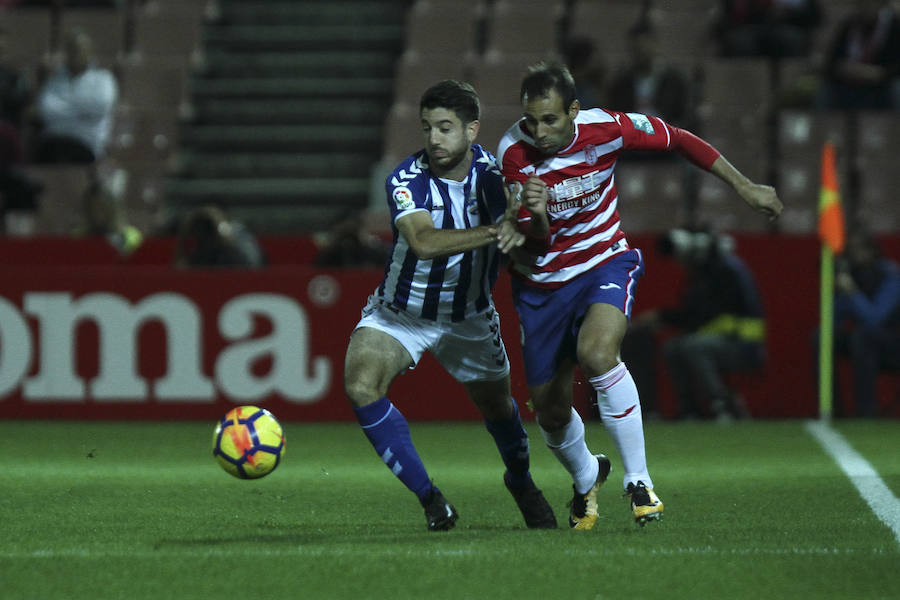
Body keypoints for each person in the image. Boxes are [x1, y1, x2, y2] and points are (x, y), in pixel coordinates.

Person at [496, 61, 782, 528]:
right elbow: (537, 240)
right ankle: (588, 474)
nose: (539, 131)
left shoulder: (606, 127)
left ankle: (640, 481)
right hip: (542, 285)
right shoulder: (514, 153)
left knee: (597, 352)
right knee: (549, 411)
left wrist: (744, 186)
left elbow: (680, 139)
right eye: (531, 120)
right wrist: (537, 214)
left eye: (550, 119)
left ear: (574, 110)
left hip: (604, 261)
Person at [343, 80, 557, 532]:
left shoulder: (495, 177)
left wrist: (532, 217)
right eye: (427, 128)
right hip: (400, 313)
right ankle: (431, 500)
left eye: (445, 127)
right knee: (361, 384)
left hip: (470, 319)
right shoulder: (405, 180)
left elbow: (528, 247)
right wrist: (496, 230)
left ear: (472, 130)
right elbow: (422, 242)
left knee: (499, 409)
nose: (434, 138)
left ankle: (521, 482)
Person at [628, 228, 766, 421]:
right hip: (722, 338)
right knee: (672, 348)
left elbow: (704, 314)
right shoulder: (704, 273)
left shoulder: (725, 272)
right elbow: (696, 314)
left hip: (742, 343)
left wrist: (661, 318)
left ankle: (722, 404)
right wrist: (662, 318)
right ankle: (689, 410)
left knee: (694, 346)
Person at [831, 229, 900, 417]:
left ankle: (866, 411)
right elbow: (833, 319)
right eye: (850, 251)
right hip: (865, 340)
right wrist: (839, 293)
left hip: (893, 344)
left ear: (871, 251)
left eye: (858, 250)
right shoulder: (853, 273)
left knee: (862, 337)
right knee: (822, 337)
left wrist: (852, 292)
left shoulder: (890, 275)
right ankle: (832, 409)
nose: (854, 255)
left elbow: (875, 319)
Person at [33, 27, 118, 163]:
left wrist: (63, 105)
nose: (76, 53)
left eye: (81, 49)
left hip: (87, 143)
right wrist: (82, 111)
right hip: (53, 141)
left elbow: (101, 106)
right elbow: (45, 110)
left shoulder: (103, 79)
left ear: (90, 52)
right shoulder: (54, 79)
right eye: (72, 49)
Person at [817, 0, 900, 111]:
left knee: (896, 89)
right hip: (849, 82)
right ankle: (823, 126)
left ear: (881, 4)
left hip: (881, 84)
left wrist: (879, 73)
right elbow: (831, 62)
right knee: (825, 90)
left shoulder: (894, 27)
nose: (866, 6)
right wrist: (846, 69)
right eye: (862, 3)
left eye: (871, 3)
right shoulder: (848, 26)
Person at [174, 205, 265, 268]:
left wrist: (220, 226)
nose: (202, 231)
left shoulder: (237, 231)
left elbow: (251, 264)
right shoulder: (198, 245)